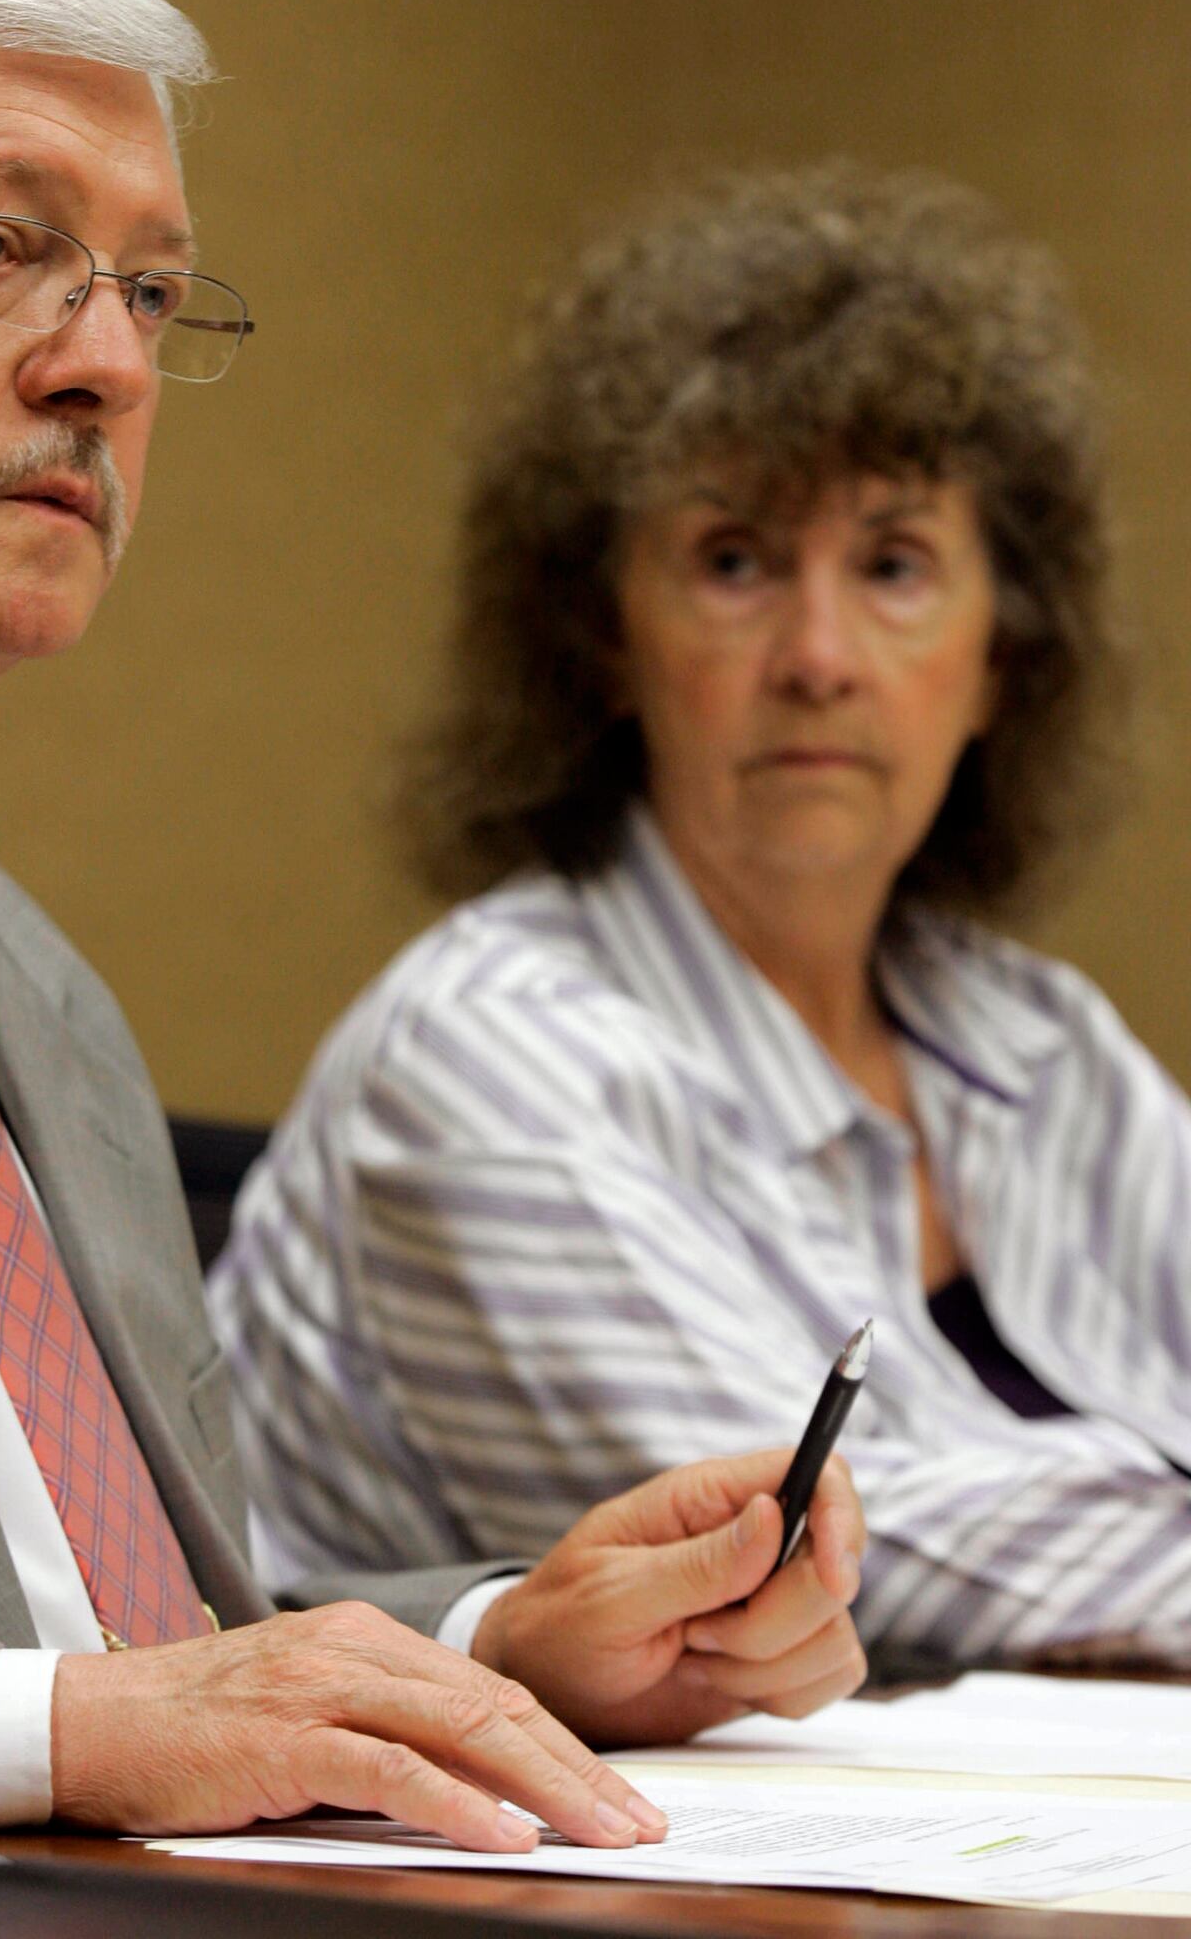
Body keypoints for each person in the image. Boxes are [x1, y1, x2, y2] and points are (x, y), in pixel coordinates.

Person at [0, 0, 867, 1890]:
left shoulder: (19, 987)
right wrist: (65, 1732)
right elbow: (70, 1710)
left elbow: (118, 1643)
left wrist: (489, 1640)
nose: (104, 362)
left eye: (155, 293)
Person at [210, 162, 1191, 1676]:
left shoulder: (1041, 1042)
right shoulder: (485, 1059)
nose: (818, 654)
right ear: (605, 637)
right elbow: (819, 1557)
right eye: (733, 562)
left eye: (894, 565)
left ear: (1003, 655)